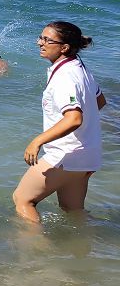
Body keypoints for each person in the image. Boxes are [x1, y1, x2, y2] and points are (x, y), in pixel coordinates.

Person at [12, 22, 106, 223]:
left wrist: (37, 141)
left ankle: (37, 250)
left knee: (23, 200)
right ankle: (83, 249)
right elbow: (100, 101)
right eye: (40, 37)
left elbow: (74, 118)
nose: (40, 43)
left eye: (47, 40)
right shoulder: (79, 67)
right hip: (88, 155)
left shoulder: (64, 76)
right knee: (72, 211)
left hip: (66, 155)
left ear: (64, 48)